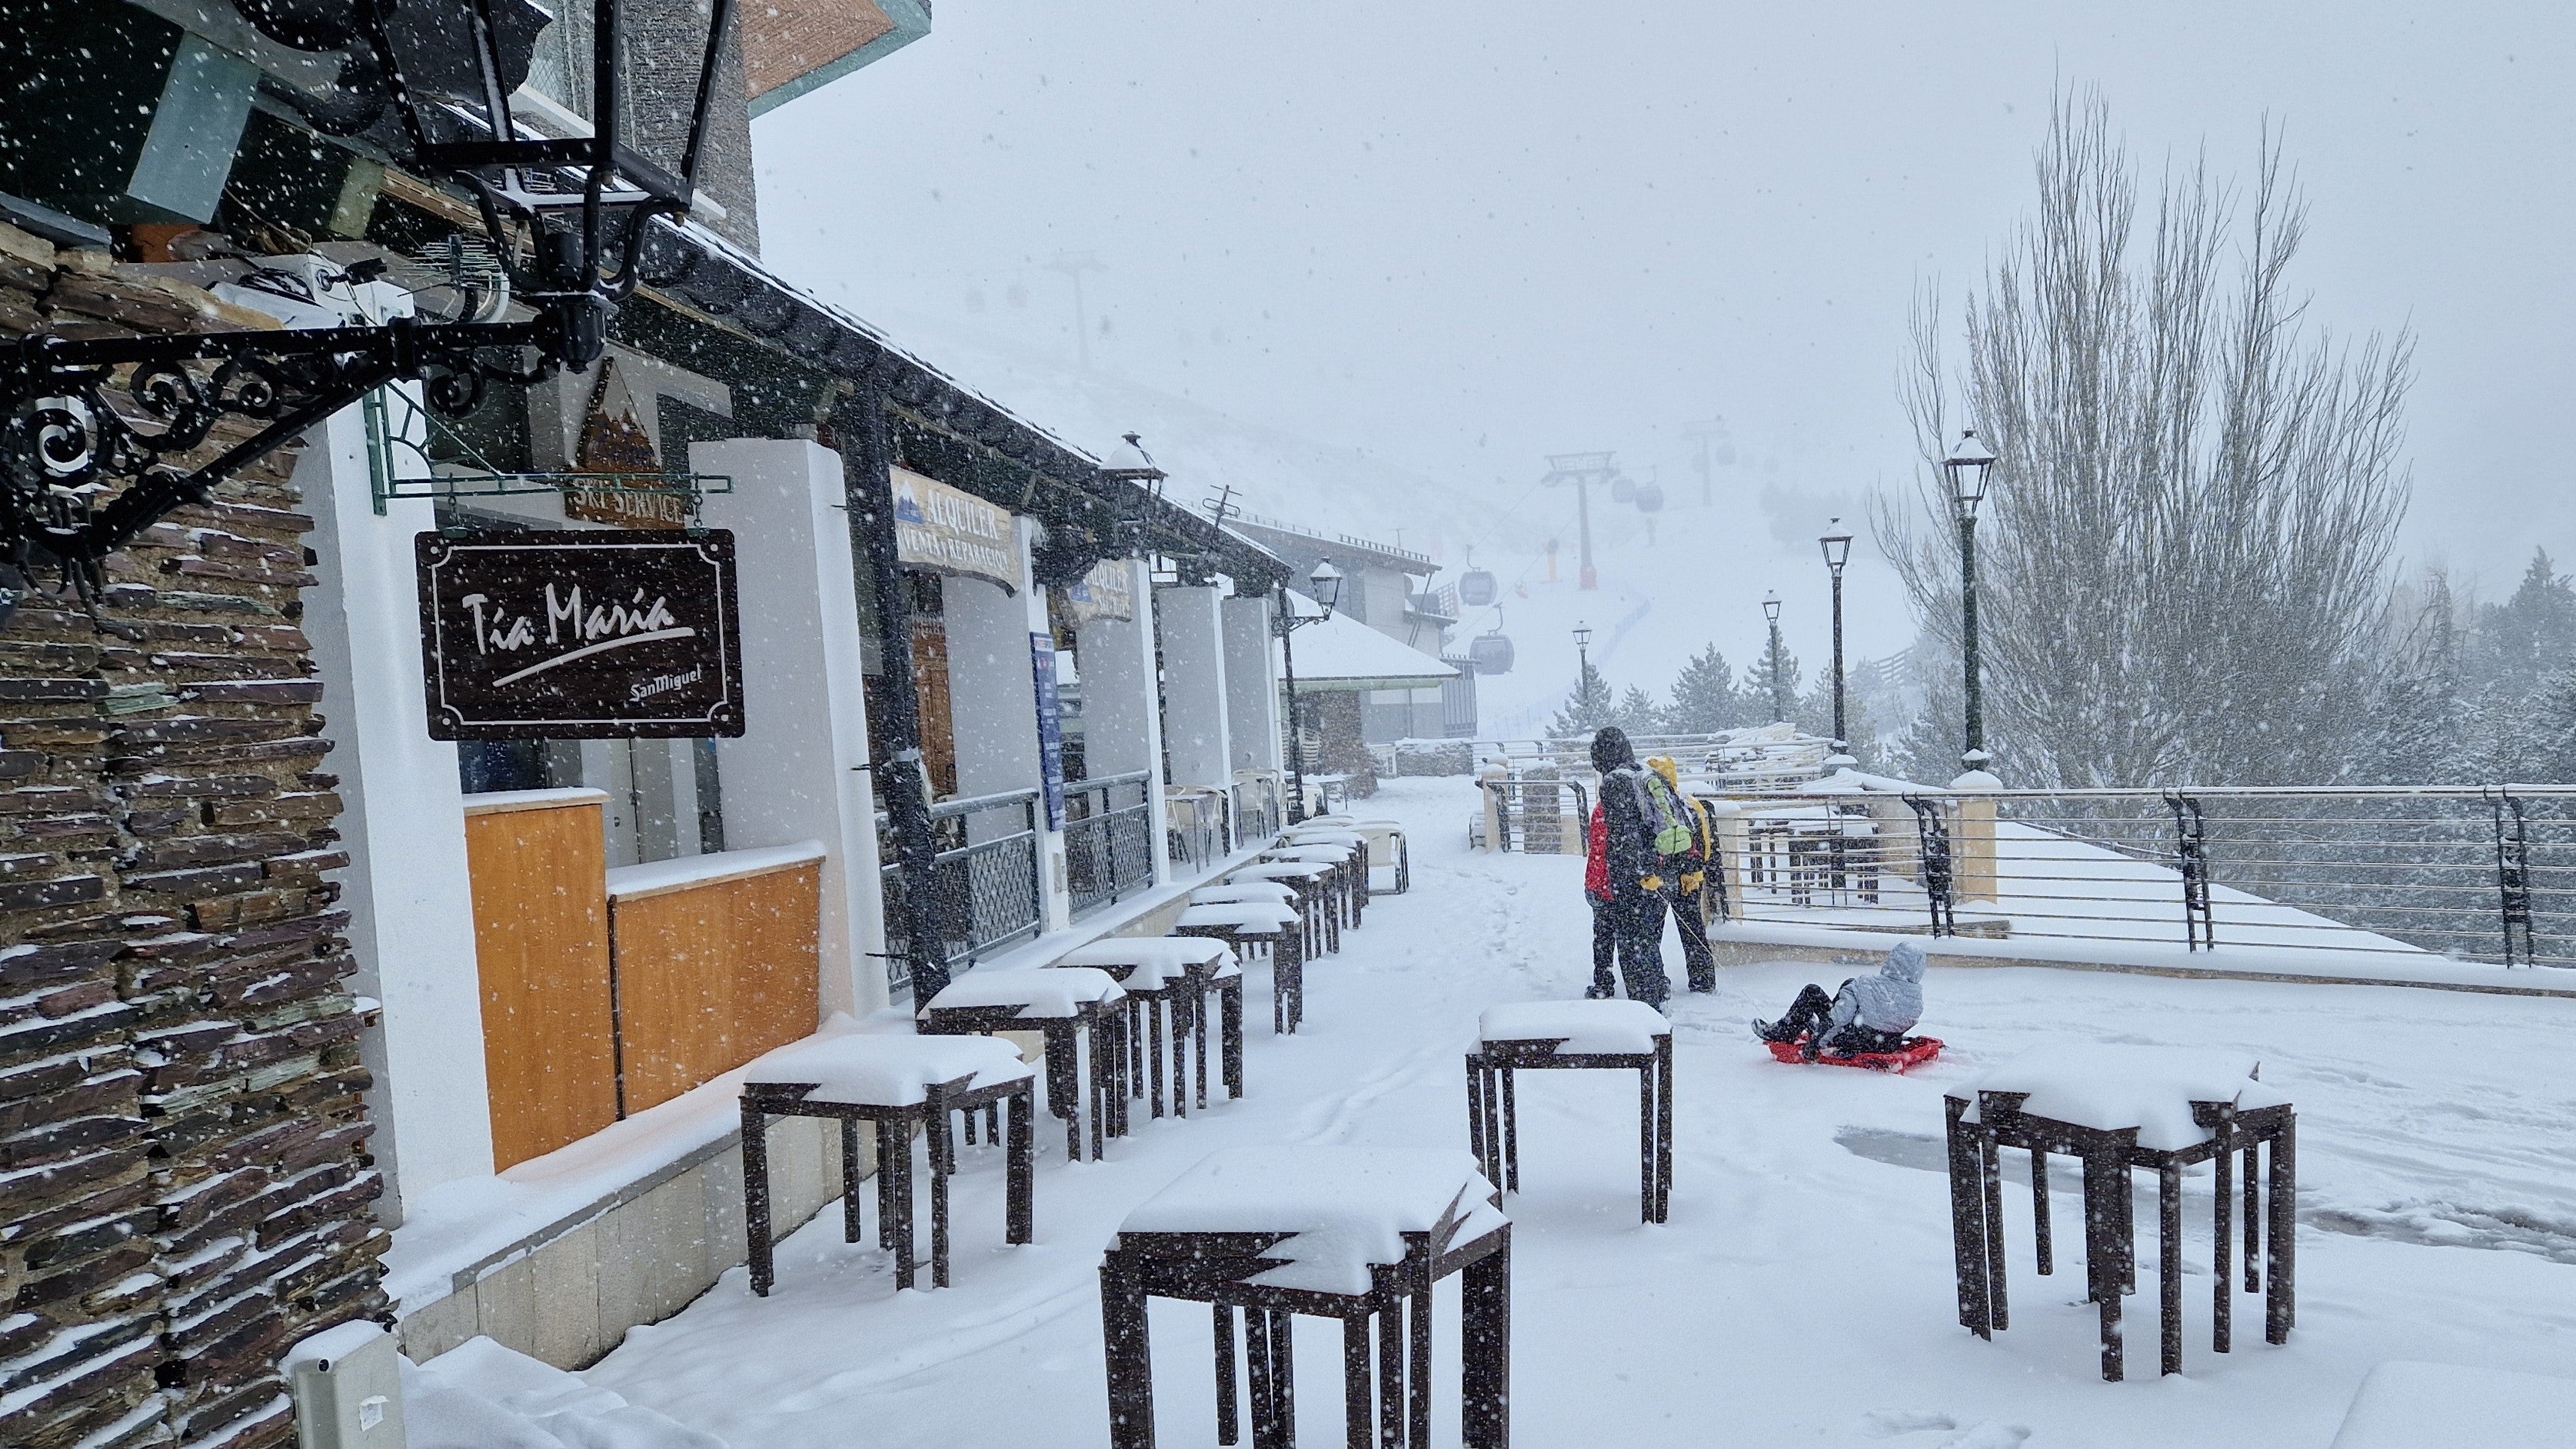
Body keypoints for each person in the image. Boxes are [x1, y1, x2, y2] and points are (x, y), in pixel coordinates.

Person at [1591, 726, 1676, 1009]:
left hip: (1631, 882)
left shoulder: (1615, 783)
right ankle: (1657, 996)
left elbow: (1624, 837)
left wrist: (1638, 873)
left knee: (1632, 946)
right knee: (1648, 942)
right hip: (1658, 874)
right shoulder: (1644, 774)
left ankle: (1644, 1010)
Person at [1752, 941, 1926, 1058]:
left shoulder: (1866, 984)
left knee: (1812, 991)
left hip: (1851, 1042)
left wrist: (1816, 1043)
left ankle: (1784, 1033)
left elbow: (1839, 1018)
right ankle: (1816, 1025)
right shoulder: (1916, 999)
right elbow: (1891, 1020)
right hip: (1885, 1045)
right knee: (1849, 987)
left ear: (1892, 960)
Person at [1645, 755, 1718, 993]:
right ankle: (1703, 980)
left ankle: (1655, 982)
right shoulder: (1690, 804)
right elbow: (1705, 843)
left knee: (1652, 932)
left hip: (1659, 879)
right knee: (1693, 930)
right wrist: (1696, 871)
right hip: (1689, 879)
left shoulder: (1649, 806)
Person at [1582, 801, 1618, 998]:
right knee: (1640, 940)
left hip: (1607, 886)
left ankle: (1603, 983)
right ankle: (1647, 985)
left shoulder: (1603, 810)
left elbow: (1598, 851)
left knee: (1603, 937)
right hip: (1638, 887)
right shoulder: (1644, 802)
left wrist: (1592, 884)